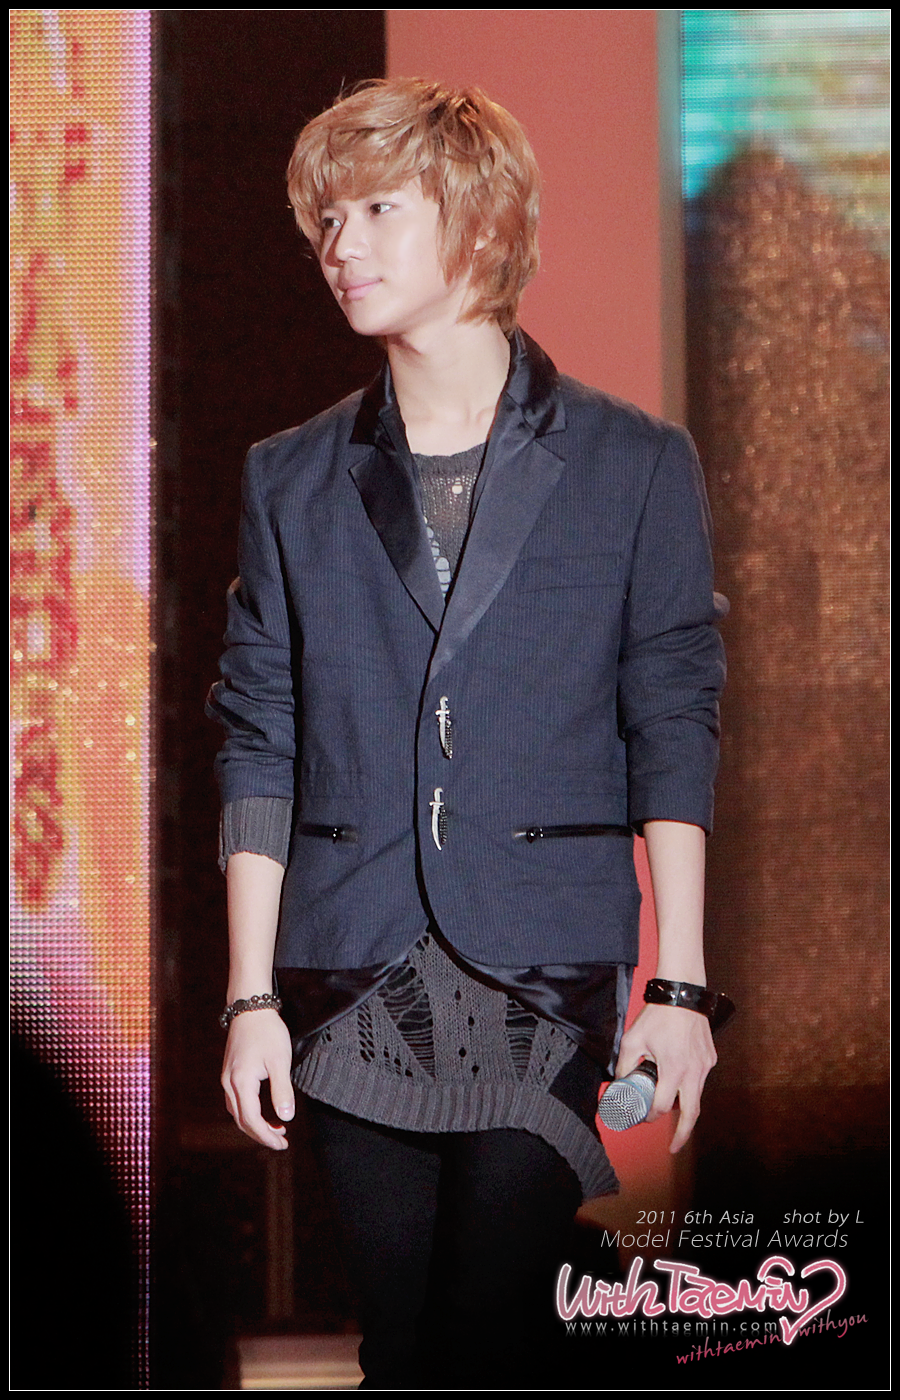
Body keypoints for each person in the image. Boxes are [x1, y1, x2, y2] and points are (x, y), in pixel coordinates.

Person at [207, 78, 727, 1389]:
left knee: (493, 1337)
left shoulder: (632, 464)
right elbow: (260, 733)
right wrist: (251, 996)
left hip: (543, 967)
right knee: (402, 1350)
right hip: (350, 969)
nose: (343, 244)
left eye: (380, 210)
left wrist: (677, 987)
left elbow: (671, 719)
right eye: (329, 220)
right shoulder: (291, 475)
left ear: (481, 225)